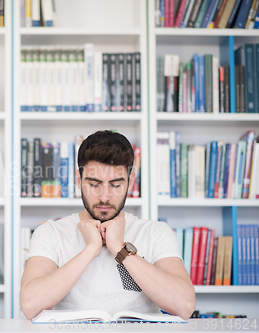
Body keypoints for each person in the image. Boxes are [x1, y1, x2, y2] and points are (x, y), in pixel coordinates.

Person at [20, 130, 195, 320]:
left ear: (130, 183)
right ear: (79, 181)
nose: (104, 196)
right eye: (94, 184)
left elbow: (184, 306)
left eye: (116, 185)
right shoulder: (50, 233)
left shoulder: (156, 232)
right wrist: (91, 249)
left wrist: (120, 249)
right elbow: (30, 306)